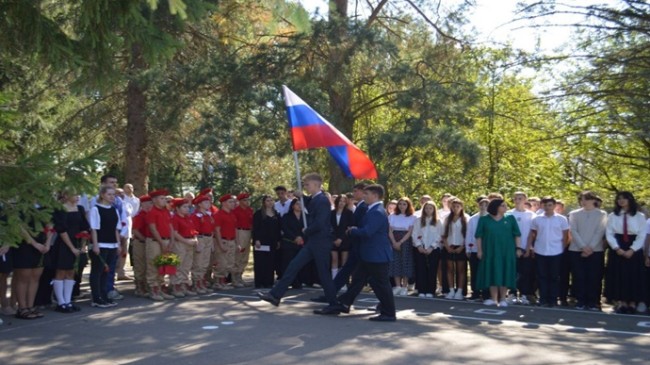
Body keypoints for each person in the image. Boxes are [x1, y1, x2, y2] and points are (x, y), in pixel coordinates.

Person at [258, 173, 340, 315]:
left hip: (320, 242)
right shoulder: (315, 199)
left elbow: (320, 223)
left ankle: (334, 304)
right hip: (313, 242)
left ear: (315, 185)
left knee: (323, 274)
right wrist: (301, 196)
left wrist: (307, 230)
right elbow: (310, 202)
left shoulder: (322, 201)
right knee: (293, 265)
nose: (306, 187)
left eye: (307, 184)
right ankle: (275, 295)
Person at [336, 184, 396, 322]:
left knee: (381, 284)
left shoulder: (376, 212)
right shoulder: (373, 210)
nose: (364, 196)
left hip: (376, 255)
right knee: (358, 278)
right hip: (370, 254)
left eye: (367, 194)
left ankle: (389, 313)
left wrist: (352, 231)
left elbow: (368, 231)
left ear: (375, 196)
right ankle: (344, 303)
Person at [605, 191, 647, 314]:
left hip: (633, 247)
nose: (621, 201)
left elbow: (641, 235)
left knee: (633, 276)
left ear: (630, 200)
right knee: (619, 275)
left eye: (624, 198)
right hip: (618, 247)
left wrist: (632, 249)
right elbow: (609, 233)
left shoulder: (639, 216)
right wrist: (616, 248)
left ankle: (633, 302)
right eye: (619, 199)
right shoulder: (613, 216)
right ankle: (621, 302)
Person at [475, 199, 520, 307]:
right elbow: (479, 236)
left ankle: (503, 299)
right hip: (490, 250)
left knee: (505, 272)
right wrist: (480, 250)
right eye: (503, 206)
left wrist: (518, 248)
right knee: (492, 272)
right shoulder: (484, 219)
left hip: (507, 251)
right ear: (496, 207)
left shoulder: (510, 218)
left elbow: (517, 234)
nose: (506, 208)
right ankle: (494, 298)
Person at [51, 188, 89, 312]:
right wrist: (72, 248)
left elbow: (84, 227)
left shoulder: (80, 209)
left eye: (78, 194)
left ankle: (68, 301)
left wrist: (83, 245)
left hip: (77, 243)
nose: (78, 197)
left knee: (71, 272)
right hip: (64, 244)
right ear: (66, 195)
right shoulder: (60, 209)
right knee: (61, 271)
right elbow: (61, 230)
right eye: (74, 194)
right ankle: (60, 302)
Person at [528, 197, 570, 307]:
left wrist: (562, 249)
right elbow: (533, 234)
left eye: (550, 205)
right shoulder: (537, 219)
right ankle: (543, 298)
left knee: (554, 276)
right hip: (540, 250)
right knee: (542, 276)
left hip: (556, 251)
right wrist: (531, 247)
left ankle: (553, 299)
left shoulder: (561, 219)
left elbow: (566, 236)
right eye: (545, 205)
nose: (547, 207)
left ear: (554, 206)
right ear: (542, 206)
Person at [569, 191, 607, 311]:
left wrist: (590, 247)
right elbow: (573, 231)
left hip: (595, 250)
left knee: (594, 276)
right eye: (582, 199)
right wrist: (583, 247)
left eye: (586, 199)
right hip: (576, 250)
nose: (583, 201)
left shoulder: (602, 214)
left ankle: (594, 301)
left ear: (594, 200)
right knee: (579, 276)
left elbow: (600, 231)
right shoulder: (574, 214)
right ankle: (580, 300)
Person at [13, 210, 53, 319]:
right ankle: (22, 308)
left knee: (35, 278)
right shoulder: (21, 206)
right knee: (23, 278)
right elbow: (20, 227)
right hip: (25, 245)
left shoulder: (45, 205)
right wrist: (34, 244)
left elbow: (50, 226)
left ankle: (31, 306)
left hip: (42, 245)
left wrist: (47, 243)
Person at [89, 185, 122, 308]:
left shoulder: (114, 210)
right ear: (102, 195)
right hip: (101, 244)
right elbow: (94, 229)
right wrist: (95, 245)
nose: (112, 197)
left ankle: (104, 295)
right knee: (97, 271)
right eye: (109, 194)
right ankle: (96, 298)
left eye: (113, 194)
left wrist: (118, 244)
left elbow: (115, 229)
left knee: (106, 272)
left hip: (112, 244)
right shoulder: (96, 209)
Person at [145, 189, 175, 301]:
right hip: (155, 242)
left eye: (165, 198)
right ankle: (153, 290)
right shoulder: (152, 212)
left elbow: (171, 226)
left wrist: (171, 240)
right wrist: (162, 242)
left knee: (163, 265)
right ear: (154, 200)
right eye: (162, 198)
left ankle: (161, 289)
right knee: (153, 264)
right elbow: (153, 229)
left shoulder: (166, 211)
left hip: (166, 240)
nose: (164, 200)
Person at [509, 192, 537, 305]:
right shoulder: (509, 214)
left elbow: (532, 233)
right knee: (513, 272)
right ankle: (512, 293)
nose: (517, 200)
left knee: (526, 273)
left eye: (520, 198)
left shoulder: (531, 215)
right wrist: (516, 248)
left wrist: (528, 247)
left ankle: (525, 294)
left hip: (527, 248)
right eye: (515, 198)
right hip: (512, 249)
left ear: (525, 200)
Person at [412, 201, 442, 298]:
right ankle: (422, 290)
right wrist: (419, 246)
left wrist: (431, 247)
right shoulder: (418, 220)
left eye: (430, 208)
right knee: (421, 269)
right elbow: (414, 234)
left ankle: (430, 290)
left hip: (433, 249)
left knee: (432, 270)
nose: (428, 210)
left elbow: (439, 236)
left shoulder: (438, 221)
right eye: (426, 208)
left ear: (434, 210)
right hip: (420, 248)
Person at [442, 198, 469, 300]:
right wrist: (447, 246)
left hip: (461, 247)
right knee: (449, 269)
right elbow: (443, 234)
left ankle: (460, 290)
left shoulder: (466, 218)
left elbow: (468, 235)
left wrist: (462, 246)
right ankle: (451, 290)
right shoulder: (447, 218)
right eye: (454, 206)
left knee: (461, 270)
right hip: (449, 246)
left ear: (461, 207)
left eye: (458, 206)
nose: (455, 208)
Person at [388, 197, 416, 296]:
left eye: (404, 204)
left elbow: (410, 231)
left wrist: (400, 242)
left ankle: (404, 287)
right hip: (394, 239)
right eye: (400, 204)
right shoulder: (392, 216)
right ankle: (397, 286)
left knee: (405, 262)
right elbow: (390, 230)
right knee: (395, 262)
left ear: (408, 205)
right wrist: (394, 242)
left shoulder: (412, 217)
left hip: (406, 240)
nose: (402, 206)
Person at [252, 195, 282, 288]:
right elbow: (255, 228)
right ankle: (259, 282)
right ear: (264, 202)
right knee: (261, 262)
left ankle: (269, 282)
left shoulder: (276, 214)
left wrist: (278, 241)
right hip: (261, 241)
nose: (269, 202)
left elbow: (278, 229)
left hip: (272, 241)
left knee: (271, 262)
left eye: (271, 200)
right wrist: (256, 239)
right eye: (267, 201)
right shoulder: (258, 214)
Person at [171, 198, 198, 297]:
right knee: (178, 265)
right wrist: (186, 241)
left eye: (188, 207)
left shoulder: (188, 217)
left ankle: (184, 285)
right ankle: (176, 286)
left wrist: (195, 239)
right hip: (180, 243)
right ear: (177, 208)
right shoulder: (175, 218)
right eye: (184, 207)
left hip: (189, 242)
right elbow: (175, 233)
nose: (187, 209)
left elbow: (193, 230)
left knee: (186, 266)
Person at [190, 194, 216, 294]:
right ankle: (197, 284)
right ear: (200, 204)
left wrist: (212, 243)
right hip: (201, 238)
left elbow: (211, 229)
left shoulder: (209, 215)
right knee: (198, 262)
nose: (208, 204)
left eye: (209, 202)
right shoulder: (196, 216)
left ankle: (202, 282)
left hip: (208, 238)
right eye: (205, 202)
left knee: (205, 263)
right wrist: (197, 243)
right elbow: (194, 230)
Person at [213, 194, 238, 290]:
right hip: (223, 240)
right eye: (230, 202)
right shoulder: (218, 215)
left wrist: (237, 242)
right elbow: (217, 230)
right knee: (221, 262)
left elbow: (234, 229)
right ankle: (218, 282)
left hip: (231, 240)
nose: (233, 204)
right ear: (223, 203)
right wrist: (220, 244)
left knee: (229, 263)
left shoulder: (232, 214)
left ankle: (223, 281)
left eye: (233, 202)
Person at [466, 197, 488, 300]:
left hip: (487, 250)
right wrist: (468, 249)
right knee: (475, 271)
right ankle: (475, 292)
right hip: (474, 249)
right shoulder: (473, 219)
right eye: (481, 205)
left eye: (486, 205)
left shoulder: (491, 218)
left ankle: (486, 292)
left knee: (485, 271)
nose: (483, 207)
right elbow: (469, 234)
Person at [131, 194, 152, 297]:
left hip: (149, 242)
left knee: (148, 264)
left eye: (150, 203)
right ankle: (140, 286)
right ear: (142, 204)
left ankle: (147, 285)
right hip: (140, 242)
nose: (149, 205)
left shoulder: (150, 214)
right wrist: (144, 239)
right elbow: (135, 230)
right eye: (146, 203)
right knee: (140, 264)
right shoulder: (140, 216)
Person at [331, 194, 354, 279]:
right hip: (333, 240)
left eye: (344, 201)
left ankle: (343, 280)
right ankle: (334, 279)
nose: (342, 203)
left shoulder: (349, 213)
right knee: (334, 259)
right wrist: (334, 239)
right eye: (340, 201)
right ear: (337, 201)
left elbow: (349, 227)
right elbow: (329, 227)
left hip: (344, 240)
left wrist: (341, 238)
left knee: (344, 261)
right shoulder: (331, 213)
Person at [233, 193, 254, 288]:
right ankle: (235, 278)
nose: (247, 202)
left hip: (248, 232)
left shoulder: (250, 210)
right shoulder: (236, 211)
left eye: (248, 200)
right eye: (245, 200)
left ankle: (240, 275)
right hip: (240, 232)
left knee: (245, 255)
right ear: (240, 201)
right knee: (238, 255)